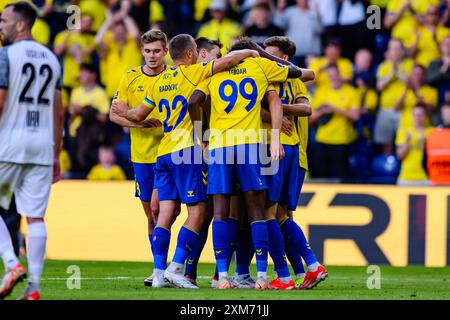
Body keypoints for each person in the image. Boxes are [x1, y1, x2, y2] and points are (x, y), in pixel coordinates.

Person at [111, 34, 260, 289]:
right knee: (199, 211)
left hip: (163, 152)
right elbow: (228, 61)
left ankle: (159, 273)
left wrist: (122, 113)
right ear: (191, 54)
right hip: (187, 150)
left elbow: (136, 114)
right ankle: (177, 267)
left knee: (164, 215)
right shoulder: (193, 73)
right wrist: (251, 53)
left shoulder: (157, 82)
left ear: (170, 53)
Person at [188, 36, 309, 290]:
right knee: (257, 211)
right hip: (250, 146)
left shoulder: (215, 70)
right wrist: (259, 56)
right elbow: (298, 75)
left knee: (222, 212)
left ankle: (222, 277)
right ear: (252, 52)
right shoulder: (260, 66)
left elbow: (193, 101)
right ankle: (263, 277)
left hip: (220, 145)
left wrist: (201, 137)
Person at [0, 1, 64, 300]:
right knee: (36, 217)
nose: (1, 26)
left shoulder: (6, 55)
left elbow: (0, 102)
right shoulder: (52, 59)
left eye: (4, 21)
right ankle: (34, 288)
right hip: (42, 146)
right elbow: (59, 113)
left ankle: (12, 263)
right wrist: (55, 154)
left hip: (10, 144)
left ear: (20, 25)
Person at [261, 35, 327, 290]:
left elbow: (307, 110)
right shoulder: (288, 81)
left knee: (270, 214)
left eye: (270, 54)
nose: (265, 57)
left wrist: (278, 110)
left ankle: (293, 272)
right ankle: (304, 270)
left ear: (284, 59)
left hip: (281, 150)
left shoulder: (288, 79)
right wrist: (282, 111)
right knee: (282, 215)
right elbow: (302, 109)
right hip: (295, 153)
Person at [309, 64, 360, 180]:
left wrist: (335, 109)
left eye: (335, 74)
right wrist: (323, 112)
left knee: (341, 176)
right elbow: (311, 117)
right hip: (322, 139)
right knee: (320, 176)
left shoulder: (350, 92)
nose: (333, 78)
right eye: (330, 75)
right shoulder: (322, 91)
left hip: (341, 140)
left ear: (339, 74)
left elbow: (355, 116)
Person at [375, 38, 414, 153]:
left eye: (398, 48)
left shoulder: (410, 64)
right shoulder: (384, 66)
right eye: (392, 48)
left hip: (405, 110)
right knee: (386, 143)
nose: (395, 51)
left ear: (402, 51)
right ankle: (387, 167)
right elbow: (380, 86)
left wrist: (398, 72)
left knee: (404, 142)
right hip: (386, 109)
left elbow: (412, 84)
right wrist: (392, 74)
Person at [274, 0, 322, 68]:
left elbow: (319, 30)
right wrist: (280, 9)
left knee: (309, 77)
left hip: (310, 54)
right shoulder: (289, 11)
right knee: (292, 77)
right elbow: (279, 24)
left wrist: (317, 15)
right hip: (293, 53)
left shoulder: (313, 12)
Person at [396, 105, 431, 185]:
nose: (417, 117)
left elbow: (432, 156)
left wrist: (423, 144)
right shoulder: (403, 131)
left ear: (425, 116)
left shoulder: (431, 132)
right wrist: (407, 142)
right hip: (406, 178)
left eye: (420, 115)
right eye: (415, 115)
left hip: (425, 177)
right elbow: (400, 156)